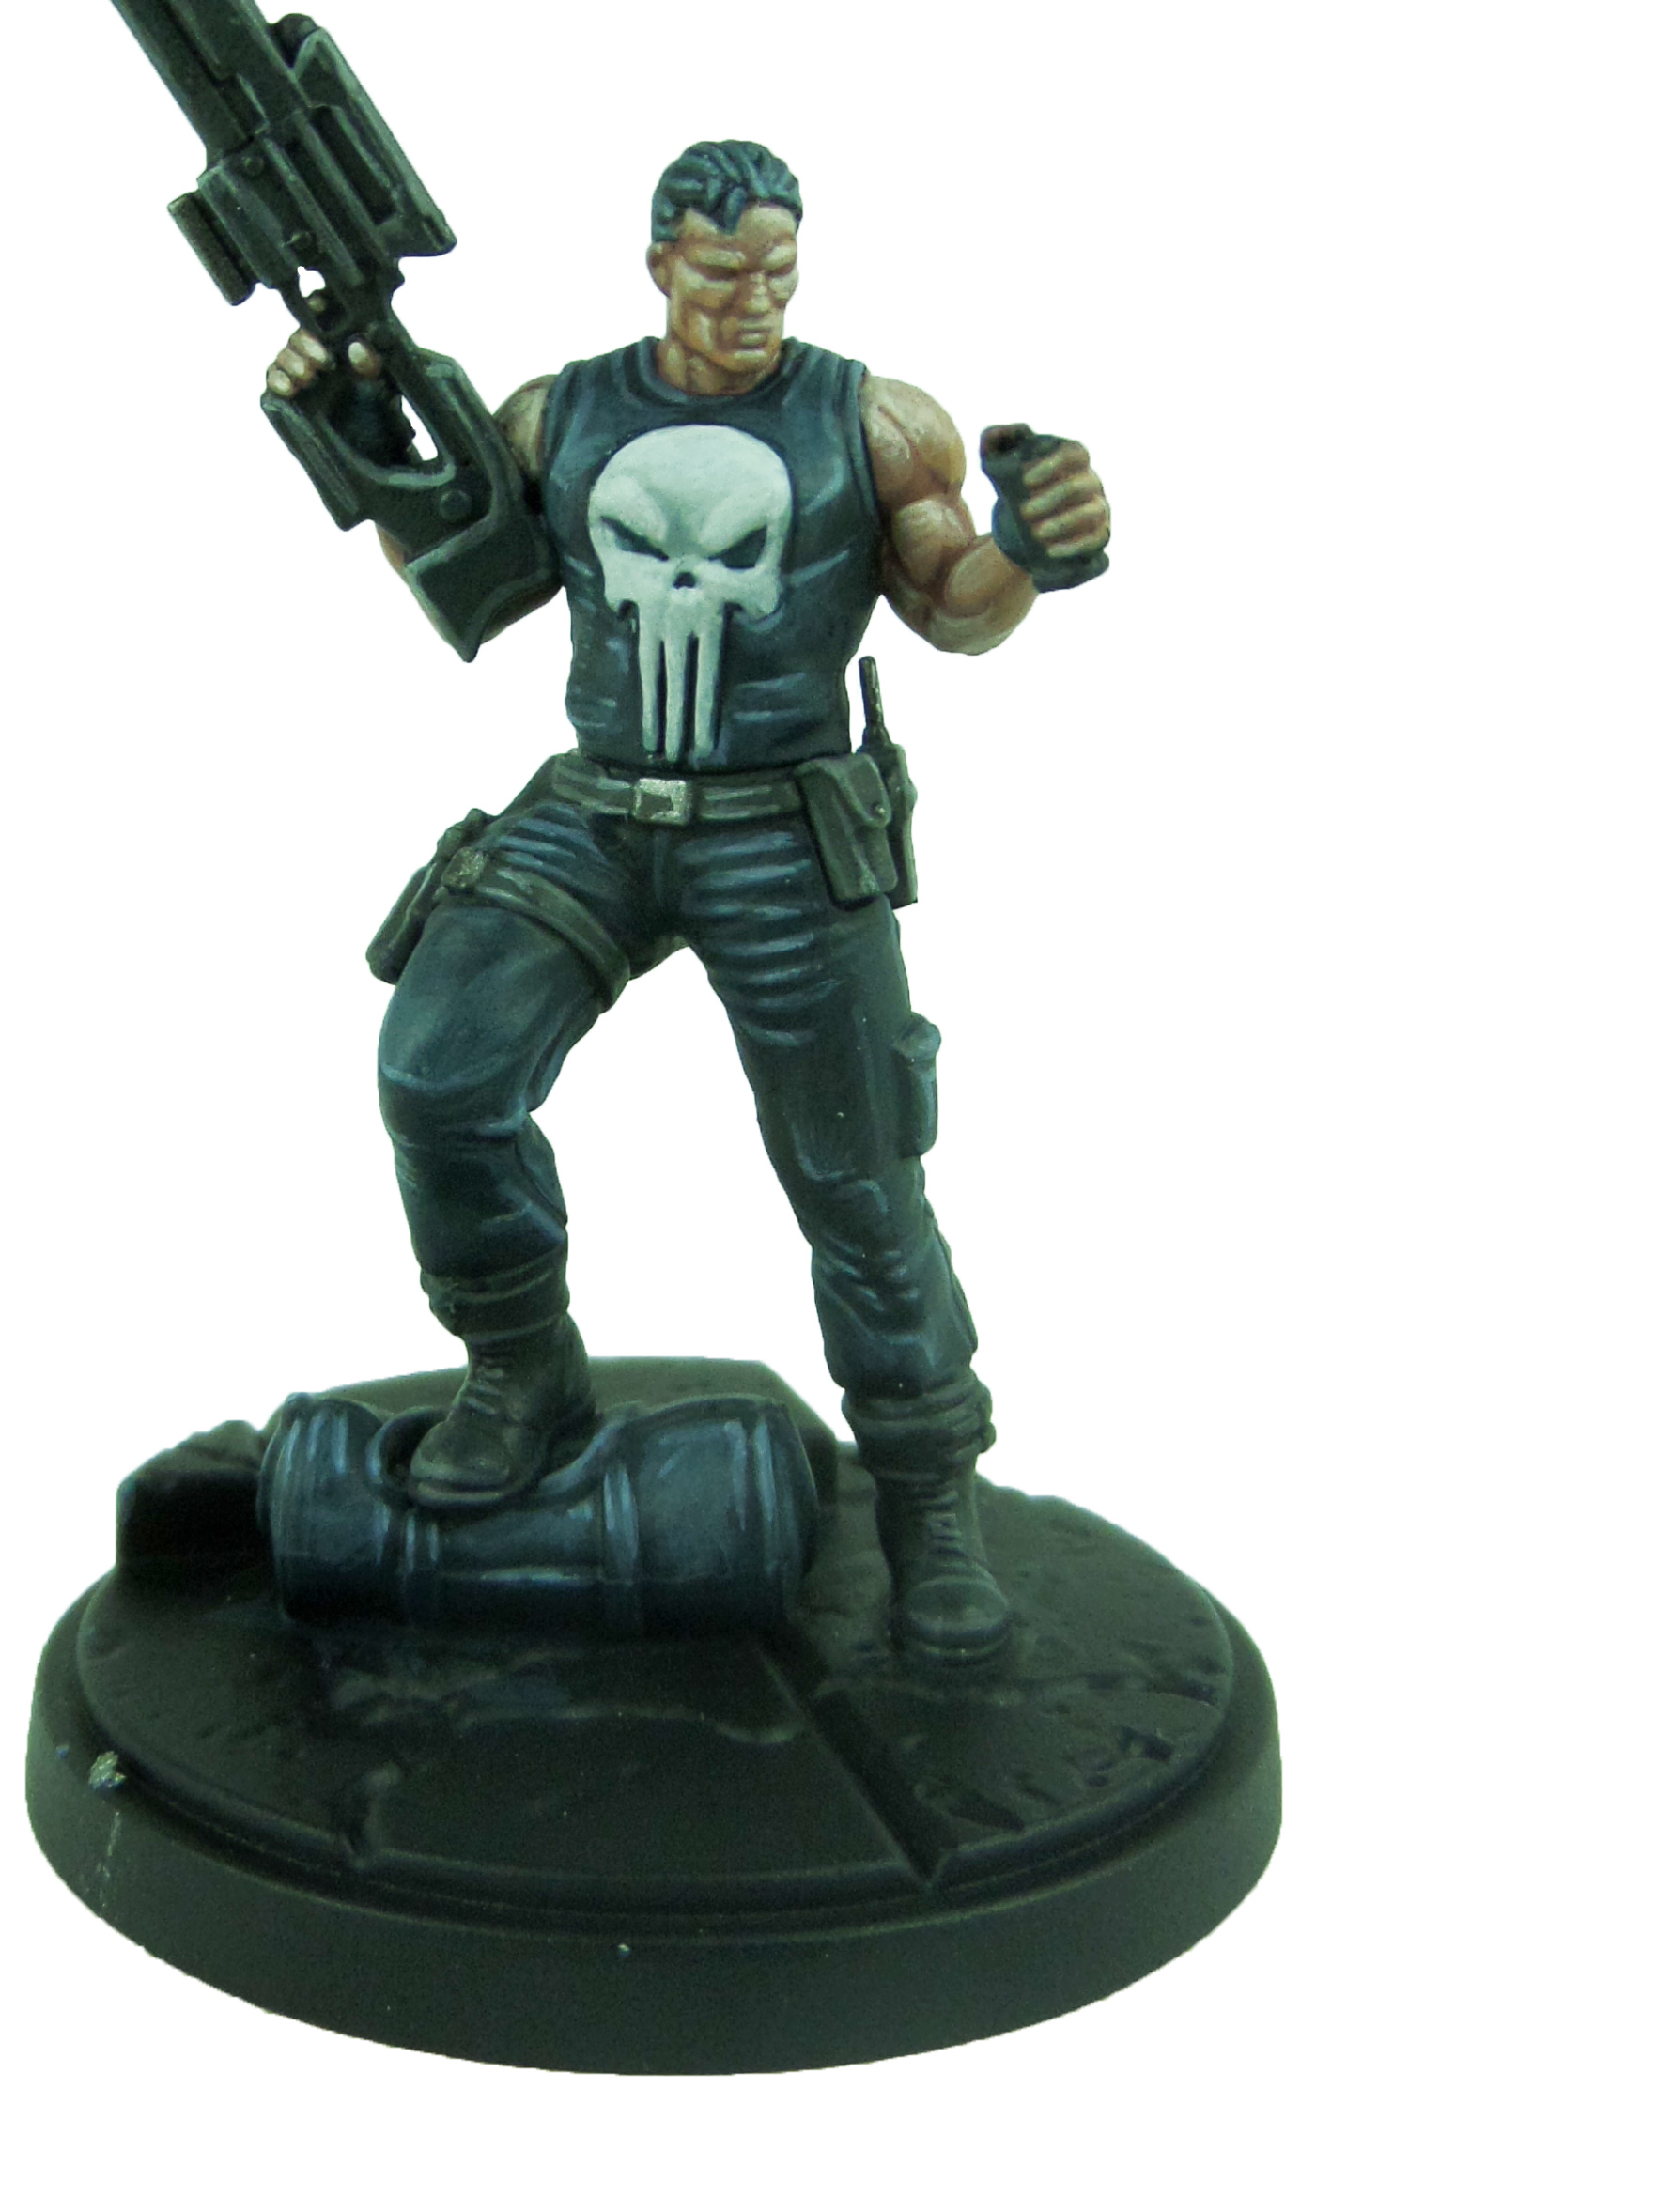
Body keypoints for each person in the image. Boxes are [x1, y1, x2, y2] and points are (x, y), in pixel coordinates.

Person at [264, 140, 1109, 1658]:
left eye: (778, 271)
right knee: (439, 1072)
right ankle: (521, 1370)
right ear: (661, 265)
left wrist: (1031, 555)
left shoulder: (872, 422)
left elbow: (952, 606)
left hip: (784, 825)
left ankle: (929, 1499)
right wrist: (359, 427)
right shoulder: (562, 415)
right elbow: (467, 576)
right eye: (723, 274)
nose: (754, 302)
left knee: (858, 1172)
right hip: (599, 807)